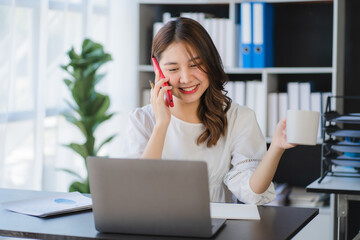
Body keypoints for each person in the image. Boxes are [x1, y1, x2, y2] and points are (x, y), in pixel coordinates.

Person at [122, 17, 295, 204]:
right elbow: (139, 191)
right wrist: (161, 125)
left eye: (195, 65)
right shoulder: (142, 120)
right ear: (158, 72)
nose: (186, 78)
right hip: (157, 227)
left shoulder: (238, 118)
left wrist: (276, 149)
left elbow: (251, 193)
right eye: (173, 69)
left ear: (210, 63)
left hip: (217, 227)